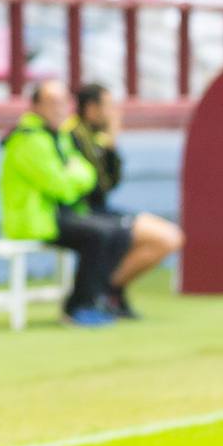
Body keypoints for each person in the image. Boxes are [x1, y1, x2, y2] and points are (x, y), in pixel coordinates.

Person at [0, 80, 129, 325]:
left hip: (61, 215)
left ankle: (97, 298)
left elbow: (87, 173)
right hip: (35, 219)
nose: (59, 109)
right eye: (52, 103)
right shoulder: (27, 139)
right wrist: (73, 177)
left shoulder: (58, 136)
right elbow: (60, 186)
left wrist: (73, 176)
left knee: (118, 231)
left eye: (63, 102)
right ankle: (76, 307)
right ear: (35, 106)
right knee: (98, 235)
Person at [70, 82, 184, 317]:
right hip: (85, 211)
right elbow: (95, 186)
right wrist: (108, 146)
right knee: (162, 239)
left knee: (171, 237)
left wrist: (111, 146)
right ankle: (103, 292)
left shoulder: (96, 137)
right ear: (91, 108)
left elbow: (112, 183)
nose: (114, 113)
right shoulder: (73, 137)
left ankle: (109, 290)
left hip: (101, 209)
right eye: (108, 106)